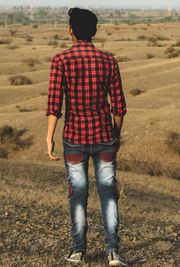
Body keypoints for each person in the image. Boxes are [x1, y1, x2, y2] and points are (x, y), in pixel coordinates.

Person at [45, 7, 127, 266]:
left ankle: (78, 250)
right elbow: (120, 106)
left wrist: (49, 137)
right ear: (94, 31)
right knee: (108, 194)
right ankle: (113, 252)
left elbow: (54, 105)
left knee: (78, 195)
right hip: (104, 137)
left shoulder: (61, 61)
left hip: (74, 139)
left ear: (71, 31)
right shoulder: (108, 61)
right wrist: (116, 135)